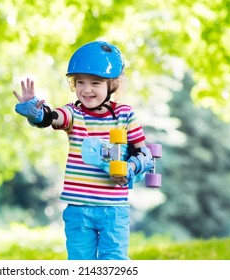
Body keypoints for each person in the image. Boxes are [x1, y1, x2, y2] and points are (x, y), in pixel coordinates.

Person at [13, 41, 153, 260]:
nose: (87, 90)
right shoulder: (74, 113)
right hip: (78, 209)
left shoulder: (124, 115)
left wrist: (130, 168)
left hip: (113, 210)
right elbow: (52, 117)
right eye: (80, 82)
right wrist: (35, 112)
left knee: (113, 264)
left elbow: (144, 153)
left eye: (95, 83)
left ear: (112, 85)